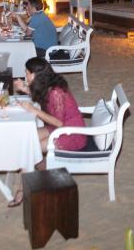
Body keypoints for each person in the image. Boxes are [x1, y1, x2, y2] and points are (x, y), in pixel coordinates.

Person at [11, 57, 91, 206]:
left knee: (30, 149)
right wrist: (26, 89)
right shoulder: (47, 84)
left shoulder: (56, 92)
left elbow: (59, 122)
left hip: (71, 133)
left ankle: (22, 189)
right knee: (26, 139)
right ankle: (48, 173)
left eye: (26, 73)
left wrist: (33, 110)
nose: (25, 75)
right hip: (57, 127)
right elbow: (42, 97)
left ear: (35, 74)